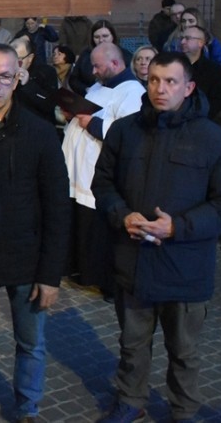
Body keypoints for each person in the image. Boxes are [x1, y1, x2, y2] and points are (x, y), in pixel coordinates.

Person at [92, 52, 221, 423]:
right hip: (134, 263)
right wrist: (120, 213)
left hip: (185, 268)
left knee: (184, 351)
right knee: (132, 345)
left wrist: (178, 227)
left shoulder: (212, 138)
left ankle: (184, 411)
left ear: (189, 87)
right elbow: (103, 183)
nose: (161, 89)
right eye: (155, 80)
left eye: (171, 81)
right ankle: (130, 401)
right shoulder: (125, 131)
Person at [0, 43, 71, 423]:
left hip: (27, 258)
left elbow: (58, 207)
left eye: (5, 76)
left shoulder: (40, 133)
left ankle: (27, 407)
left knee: (31, 342)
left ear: (18, 78)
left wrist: (51, 274)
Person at [62, 43, 145, 301]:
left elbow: (130, 133)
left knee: (94, 231)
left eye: (98, 66)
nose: (93, 71)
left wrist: (93, 124)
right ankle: (76, 269)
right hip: (76, 172)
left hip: (96, 173)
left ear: (115, 64)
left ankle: (97, 277)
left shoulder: (133, 92)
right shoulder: (99, 86)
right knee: (77, 225)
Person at [68, 20, 131, 96]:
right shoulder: (85, 55)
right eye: (97, 37)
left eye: (105, 36)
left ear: (113, 36)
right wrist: (86, 90)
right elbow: (74, 79)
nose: (101, 40)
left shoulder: (124, 55)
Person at [179, 25, 221, 120]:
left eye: (187, 38)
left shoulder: (215, 71)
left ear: (200, 43)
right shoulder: (172, 65)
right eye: (182, 38)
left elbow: (217, 101)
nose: (182, 42)